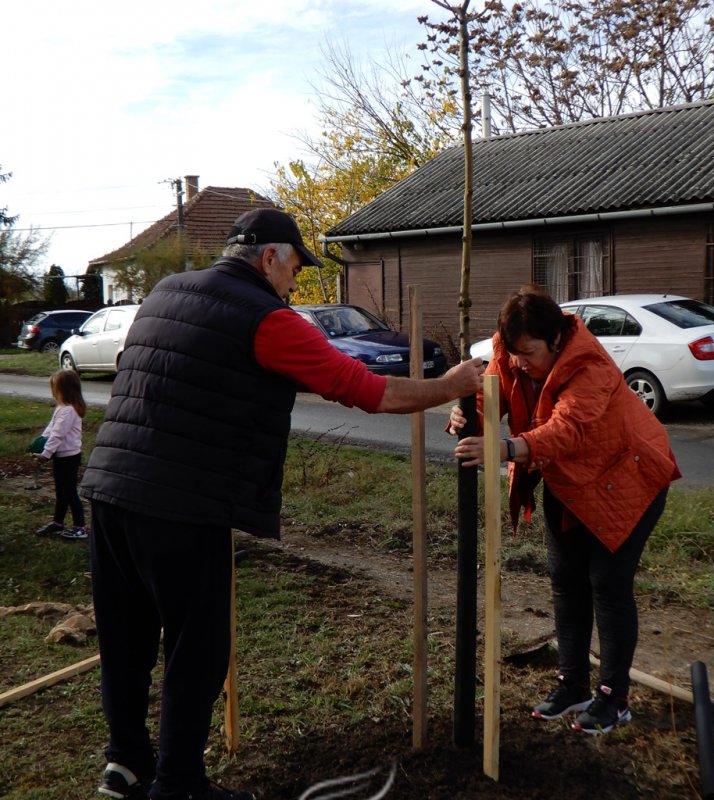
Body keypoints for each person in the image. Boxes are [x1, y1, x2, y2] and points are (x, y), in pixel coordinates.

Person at [79, 207, 484, 800]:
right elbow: (364, 389)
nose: (296, 282)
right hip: (182, 506)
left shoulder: (166, 291)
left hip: (109, 489)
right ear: (269, 257)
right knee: (198, 647)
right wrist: (450, 386)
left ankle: (128, 764)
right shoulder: (267, 318)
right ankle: (181, 784)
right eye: (295, 266)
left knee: (126, 638)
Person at [449, 286, 680, 736]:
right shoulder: (510, 348)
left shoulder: (589, 364)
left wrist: (510, 447)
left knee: (607, 583)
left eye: (530, 353)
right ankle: (572, 684)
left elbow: (568, 428)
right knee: (565, 578)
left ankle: (614, 698)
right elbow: (490, 389)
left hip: (630, 477)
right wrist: (466, 415)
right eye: (514, 352)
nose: (520, 362)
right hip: (569, 478)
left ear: (556, 340)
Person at [33, 368, 88, 540]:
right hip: (61, 456)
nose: (53, 391)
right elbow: (51, 429)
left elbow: (58, 435)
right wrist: (40, 442)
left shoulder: (69, 411)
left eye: (54, 387)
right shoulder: (62, 408)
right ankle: (58, 522)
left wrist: (45, 454)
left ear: (63, 389)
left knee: (70, 492)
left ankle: (80, 527)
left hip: (69, 457)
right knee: (61, 492)